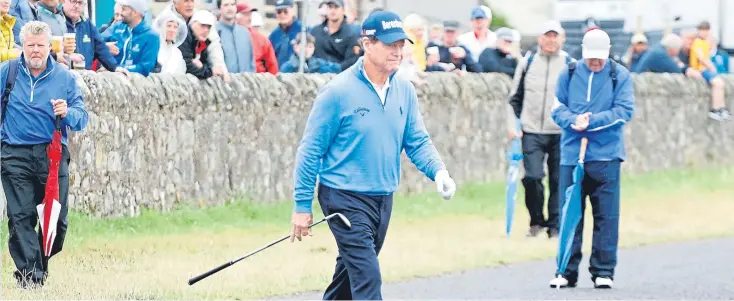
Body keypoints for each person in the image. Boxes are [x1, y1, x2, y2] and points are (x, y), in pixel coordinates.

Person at [290, 10, 457, 300]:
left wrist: (438, 171)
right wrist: (302, 205)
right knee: (368, 277)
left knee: (348, 276)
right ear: (367, 44)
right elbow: (310, 150)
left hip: (382, 197)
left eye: (401, 45)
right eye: (390, 44)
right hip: (343, 197)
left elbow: (416, 139)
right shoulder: (337, 92)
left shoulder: (404, 89)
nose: (398, 51)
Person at [2, 20, 88, 288]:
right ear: (22, 47)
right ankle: (31, 278)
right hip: (13, 154)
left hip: (51, 156)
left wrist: (66, 112)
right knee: (20, 217)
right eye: (30, 45)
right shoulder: (8, 72)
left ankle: (38, 264)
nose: (35, 51)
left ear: (49, 47)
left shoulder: (64, 77)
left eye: (40, 45)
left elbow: (81, 117)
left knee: (57, 221)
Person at [549, 29, 635, 289]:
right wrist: (573, 120)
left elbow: (624, 111)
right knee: (570, 215)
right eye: (591, 58)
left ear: (607, 54)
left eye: (599, 58)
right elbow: (557, 109)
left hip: (607, 156)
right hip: (572, 157)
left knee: (606, 217)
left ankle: (603, 271)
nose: (595, 63)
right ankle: (565, 271)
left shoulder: (619, 75)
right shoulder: (570, 72)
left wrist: (592, 121)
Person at [507, 20, 572, 239]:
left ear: (562, 39)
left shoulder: (570, 65)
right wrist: (513, 125)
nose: (551, 40)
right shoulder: (528, 63)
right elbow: (514, 99)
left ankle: (554, 225)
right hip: (532, 130)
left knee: (558, 179)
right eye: (547, 36)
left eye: (555, 36)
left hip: (560, 132)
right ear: (540, 38)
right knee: (533, 177)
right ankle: (536, 221)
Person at [103, 0, 159, 76]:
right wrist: (104, 46)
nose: (121, 13)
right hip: (110, 80)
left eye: (124, 9)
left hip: (134, 84)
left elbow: (145, 68)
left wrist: (116, 68)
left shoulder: (151, 36)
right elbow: (95, 42)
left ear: (134, 13)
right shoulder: (117, 27)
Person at [688, 21, 730, 120]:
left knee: (720, 84)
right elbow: (701, 58)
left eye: (706, 30)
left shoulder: (704, 42)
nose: (705, 33)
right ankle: (715, 109)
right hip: (700, 69)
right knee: (718, 83)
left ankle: (721, 108)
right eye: (702, 30)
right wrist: (711, 67)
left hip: (704, 69)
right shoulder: (698, 42)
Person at [309, 0, 361, 71]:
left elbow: (352, 60)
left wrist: (334, 69)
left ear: (343, 10)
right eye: (330, 7)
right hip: (315, 76)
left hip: (341, 76)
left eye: (336, 7)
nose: (333, 11)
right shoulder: (315, 31)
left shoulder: (352, 33)